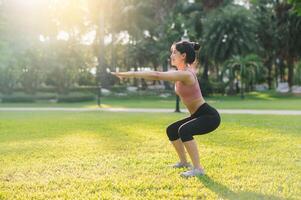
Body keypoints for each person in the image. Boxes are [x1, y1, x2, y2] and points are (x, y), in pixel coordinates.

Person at [111, 41, 221, 178]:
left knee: (184, 130)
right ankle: (183, 162)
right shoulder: (184, 70)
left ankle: (198, 169)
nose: (171, 55)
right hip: (198, 115)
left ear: (183, 56)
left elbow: (157, 75)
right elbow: (194, 58)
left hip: (208, 116)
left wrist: (129, 74)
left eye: (174, 52)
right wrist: (192, 46)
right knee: (172, 130)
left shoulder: (186, 74)